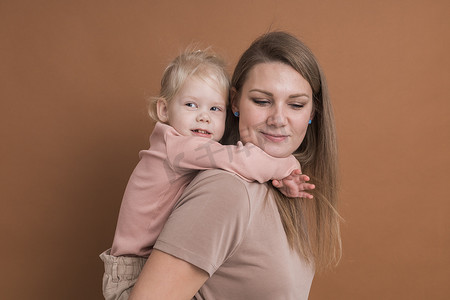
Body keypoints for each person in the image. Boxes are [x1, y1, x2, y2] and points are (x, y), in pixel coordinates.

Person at [129, 31, 342, 300]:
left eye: (296, 104)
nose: (278, 118)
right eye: (262, 101)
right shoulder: (226, 190)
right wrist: (286, 166)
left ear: (312, 113)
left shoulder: (278, 188)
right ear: (235, 102)